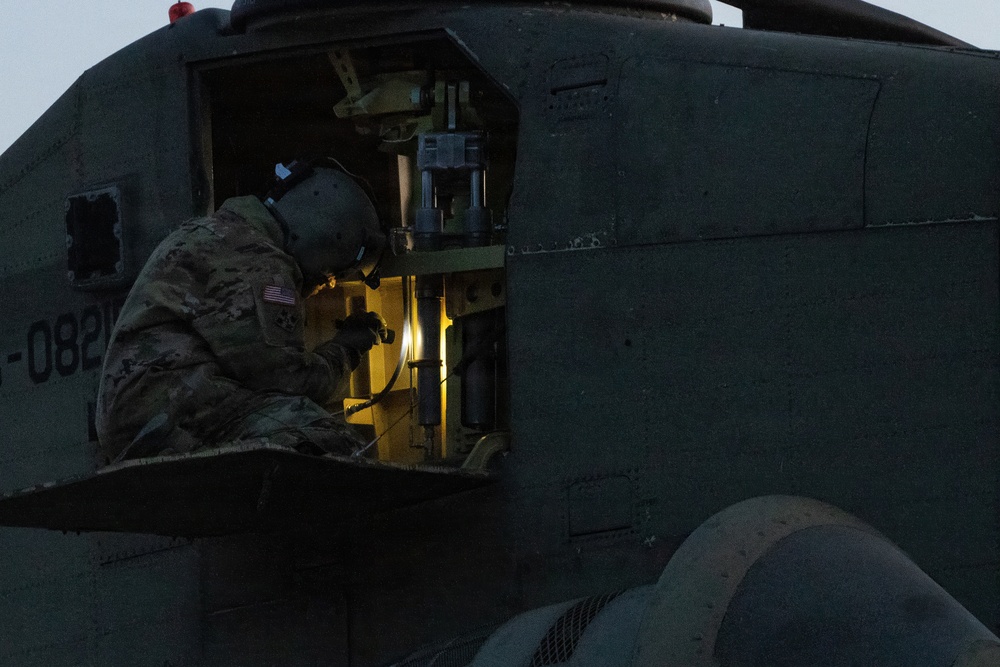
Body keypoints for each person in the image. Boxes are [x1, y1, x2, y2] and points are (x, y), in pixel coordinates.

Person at [96, 160, 388, 465]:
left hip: (150, 412)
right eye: (326, 280)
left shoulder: (219, 232)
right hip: (170, 412)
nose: (319, 289)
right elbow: (288, 380)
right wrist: (348, 349)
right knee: (326, 441)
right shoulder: (259, 263)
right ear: (326, 241)